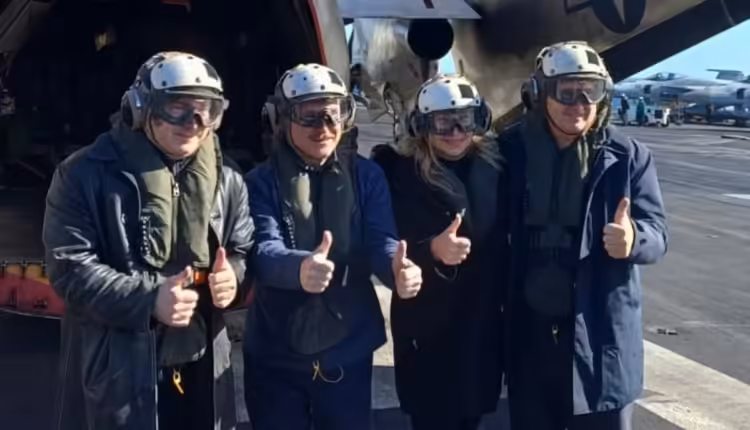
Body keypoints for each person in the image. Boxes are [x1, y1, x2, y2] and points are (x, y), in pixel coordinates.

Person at [43, 51, 254, 430]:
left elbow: (242, 249)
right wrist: (148, 300)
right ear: (141, 109)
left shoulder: (229, 179)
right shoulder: (83, 175)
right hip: (120, 370)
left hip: (202, 363)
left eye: (205, 110)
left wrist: (234, 278)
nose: (193, 123)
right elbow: (70, 270)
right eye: (177, 107)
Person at [243, 63, 423, 430]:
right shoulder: (260, 182)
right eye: (308, 116)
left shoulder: (367, 176)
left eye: (333, 114)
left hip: (348, 346)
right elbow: (263, 249)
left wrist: (397, 269)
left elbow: (381, 240)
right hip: (276, 351)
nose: (323, 127)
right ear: (281, 119)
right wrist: (299, 269)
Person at [499, 41, 668, 430]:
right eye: (566, 91)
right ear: (539, 93)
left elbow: (658, 233)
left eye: (590, 91)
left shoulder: (628, 157)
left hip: (599, 336)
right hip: (530, 335)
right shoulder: (508, 151)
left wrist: (634, 240)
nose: (579, 104)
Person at [371, 74, 509, 430]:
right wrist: (431, 249)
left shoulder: (496, 165)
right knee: (432, 416)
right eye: (443, 123)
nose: (456, 132)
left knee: (472, 414)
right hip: (427, 325)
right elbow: (385, 238)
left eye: (465, 120)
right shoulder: (398, 172)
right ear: (421, 126)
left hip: (480, 321)